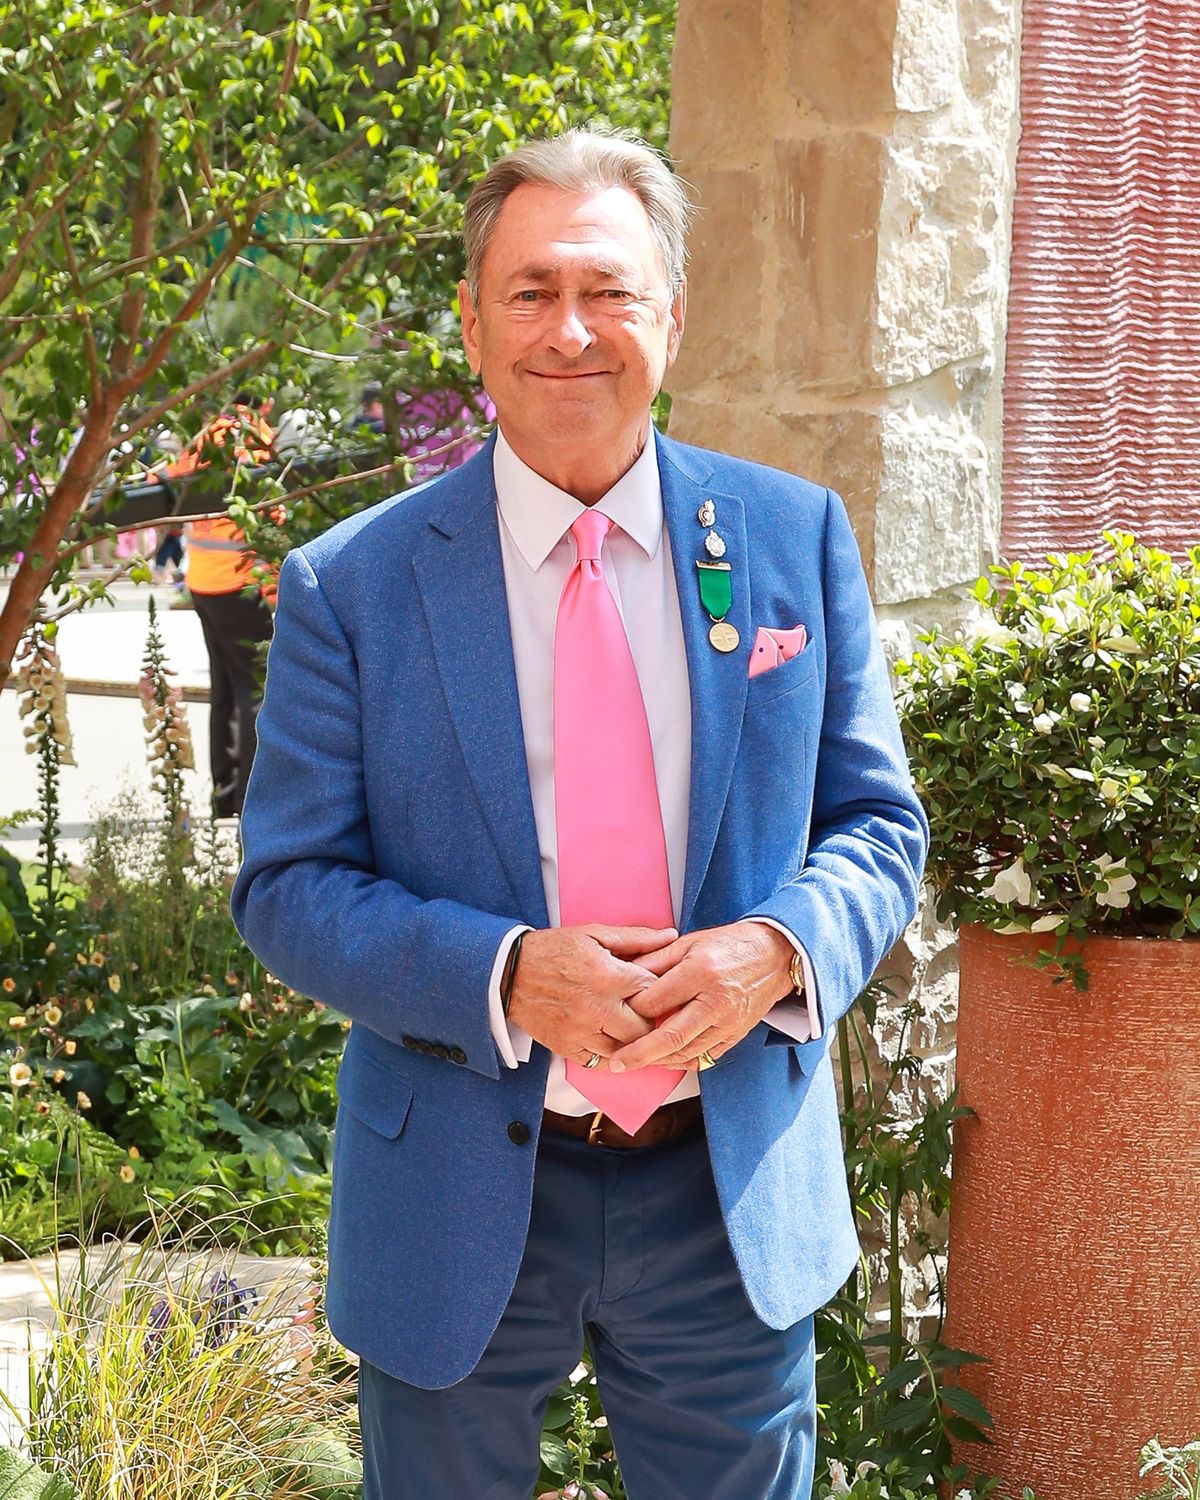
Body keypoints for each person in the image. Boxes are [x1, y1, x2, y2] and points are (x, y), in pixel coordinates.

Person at [232, 128, 928, 1500]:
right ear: (476, 328)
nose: (572, 329)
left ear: (671, 315)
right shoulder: (351, 587)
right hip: (455, 1182)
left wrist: (775, 952)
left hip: (724, 1184)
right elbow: (289, 885)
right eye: (532, 291)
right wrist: (505, 974)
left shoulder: (792, 539)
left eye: (609, 289)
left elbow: (878, 827)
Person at [155, 393, 278, 818]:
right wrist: (278, 591)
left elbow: (164, 481)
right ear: (264, 406)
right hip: (239, 584)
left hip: (203, 582)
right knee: (256, 692)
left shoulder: (206, 438)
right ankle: (250, 798)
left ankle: (225, 796)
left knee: (225, 690)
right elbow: (271, 515)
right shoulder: (254, 440)